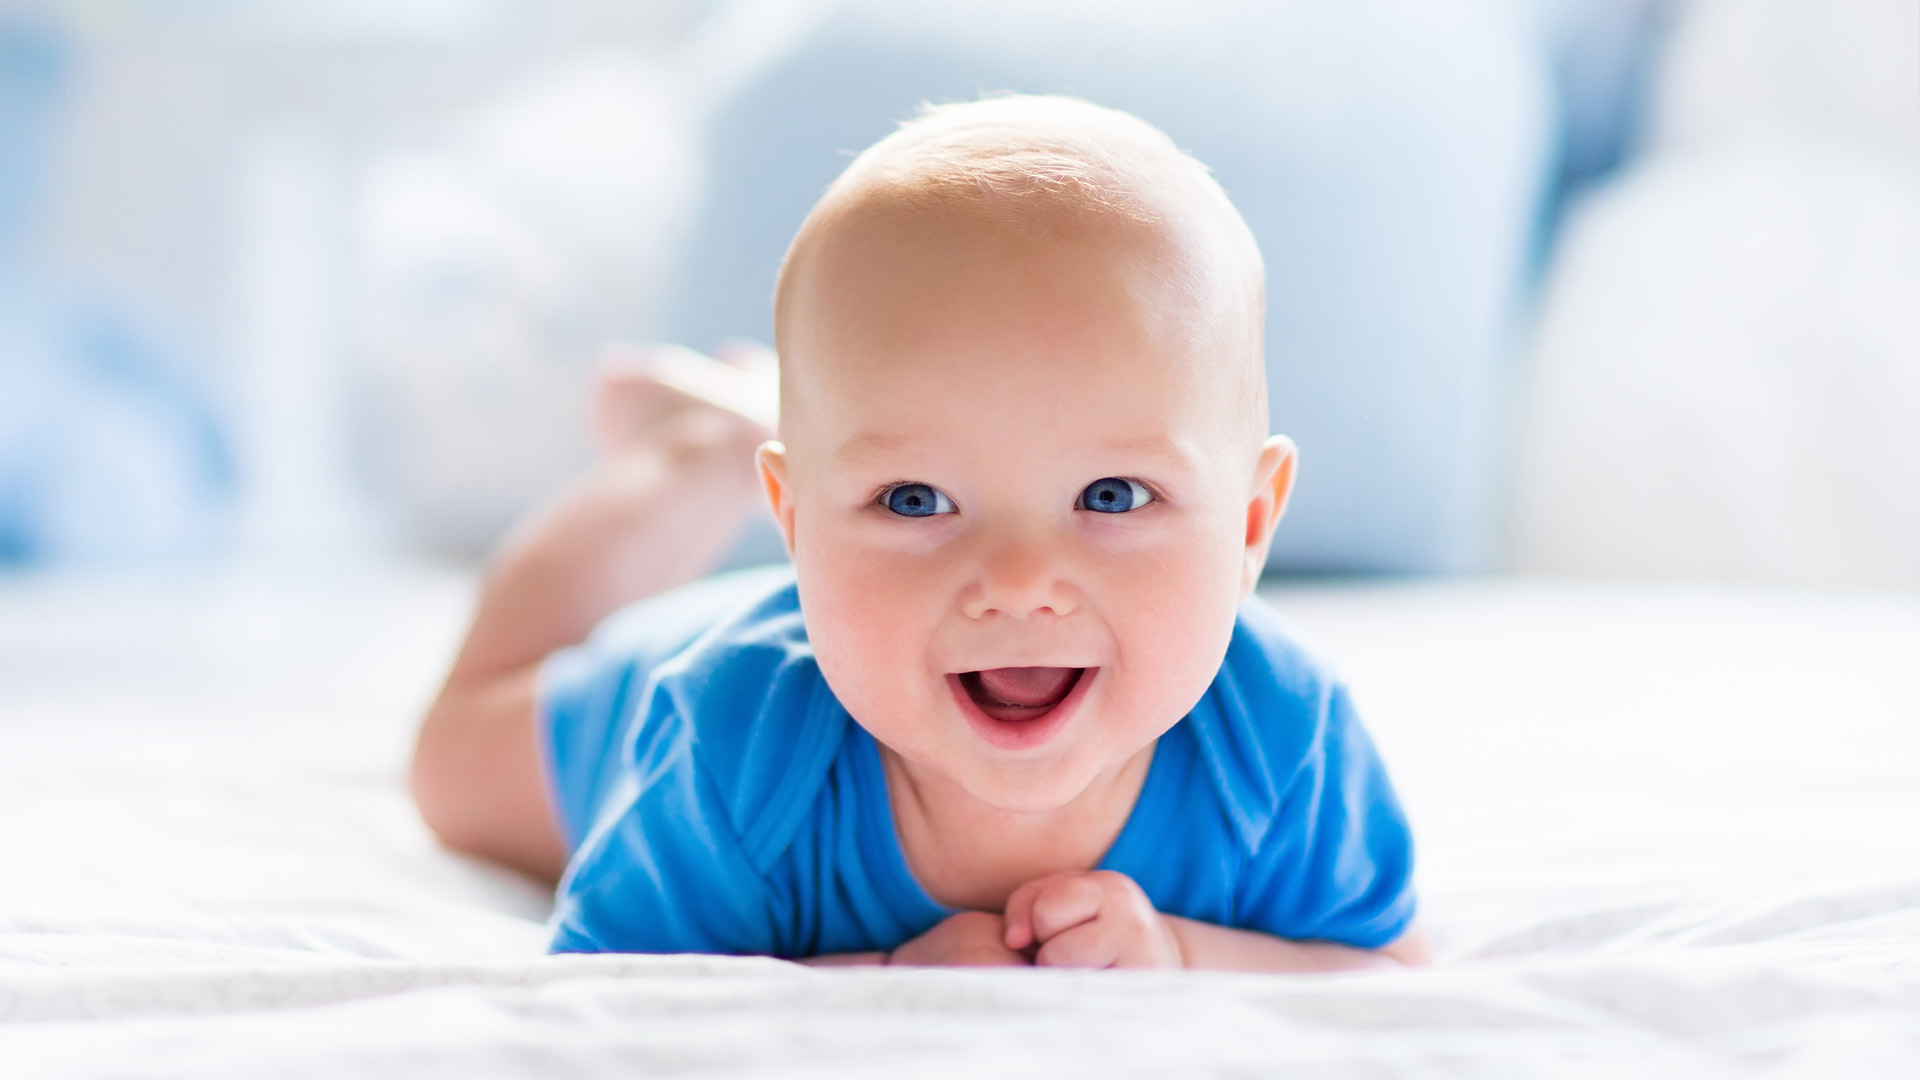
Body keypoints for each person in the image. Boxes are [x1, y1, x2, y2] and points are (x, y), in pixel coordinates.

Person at [410, 95, 1428, 970]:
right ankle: (701, 457)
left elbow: (1380, 965)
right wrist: (880, 973)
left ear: (1250, 524)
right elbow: (613, 999)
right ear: (797, 524)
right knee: (449, 766)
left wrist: (1179, 950)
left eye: (1113, 495)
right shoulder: (731, 746)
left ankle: (792, 433)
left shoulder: (1281, 741)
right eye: (914, 499)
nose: (1021, 581)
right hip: (634, 698)